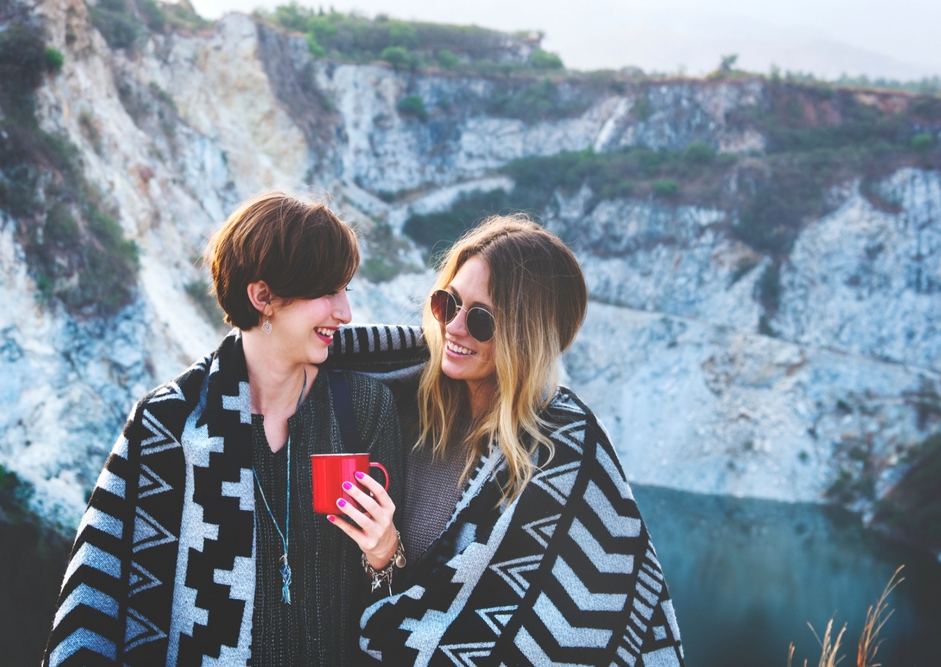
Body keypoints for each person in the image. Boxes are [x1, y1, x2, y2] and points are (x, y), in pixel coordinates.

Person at [42, 192, 404, 667]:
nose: (345, 313)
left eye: (346, 291)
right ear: (263, 297)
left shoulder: (362, 406)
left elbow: (400, 594)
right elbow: (103, 590)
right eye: (326, 292)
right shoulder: (168, 422)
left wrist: (385, 551)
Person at [327, 216, 684, 666]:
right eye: (447, 303)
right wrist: (383, 555)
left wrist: (386, 555)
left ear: (526, 334)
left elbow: (590, 633)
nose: (454, 327)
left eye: (480, 319)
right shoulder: (398, 401)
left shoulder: (565, 458)